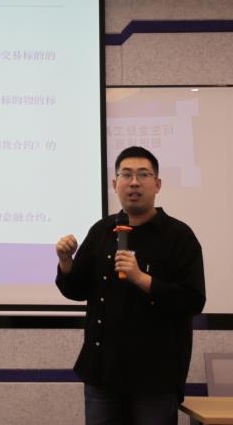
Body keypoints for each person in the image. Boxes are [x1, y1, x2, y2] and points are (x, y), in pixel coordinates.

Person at [56, 146, 205, 425]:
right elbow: (76, 290)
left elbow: (193, 300)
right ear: (115, 184)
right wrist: (66, 262)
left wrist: (141, 278)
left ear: (157, 184)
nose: (134, 182)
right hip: (102, 374)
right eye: (126, 175)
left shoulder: (179, 236)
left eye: (143, 175)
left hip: (155, 379)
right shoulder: (101, 231)